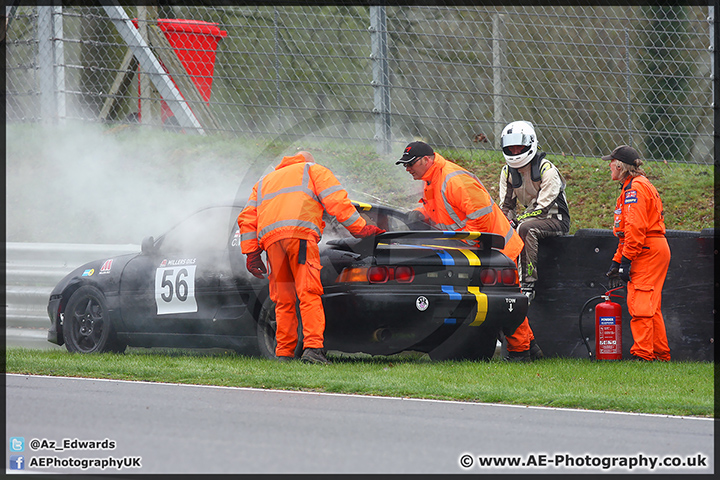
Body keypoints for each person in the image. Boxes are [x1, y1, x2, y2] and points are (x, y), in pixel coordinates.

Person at [397, 141, 542, 361]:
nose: (407, 169)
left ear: (426, 160)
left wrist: (463, 244)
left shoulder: (454, 179)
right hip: (482, 248)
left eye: (410, 164)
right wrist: (421, 213)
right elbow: (440, 209)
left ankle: (521, 352)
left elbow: (480, 217)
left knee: (506, 302)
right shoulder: (432, 179)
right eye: (405, 165)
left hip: (495, 247)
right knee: (505, 301)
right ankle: (530, 349)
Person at [237, 151, 385, 364]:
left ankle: (284, 353)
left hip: (272, 243)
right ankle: (313, 349)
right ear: (309, 160)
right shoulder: (312, 170)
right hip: (300, 237)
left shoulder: (264, 182)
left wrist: (252, 253)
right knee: (309, 293)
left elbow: (247, 218)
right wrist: (361, 229)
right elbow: (338, 203)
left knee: (282, 299)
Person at [602, 145, 671, 362]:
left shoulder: (635, 190)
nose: (609, 167)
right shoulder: (635, 186)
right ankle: (659, 353)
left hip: (647, 250)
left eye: (611, 163)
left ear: (620, 166)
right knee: (651, 305)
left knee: (640, 303)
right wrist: (617, 261)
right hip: (651, 247)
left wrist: (626, 260)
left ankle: (643, 354)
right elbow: (627, 233)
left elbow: (635, 229)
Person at [498, 121, 570, 301]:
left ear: (530, 144)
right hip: (528, 218)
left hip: (556, 218)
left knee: (525, 228)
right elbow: (506, 206)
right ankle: (504, 280)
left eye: (519, 147)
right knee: (501, 229)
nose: (515, 152)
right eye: (510, 148)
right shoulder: (507, 171)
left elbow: (543, 207)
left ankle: (527, 285)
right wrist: (504, 223)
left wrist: (517, 222)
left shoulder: (547, 169)